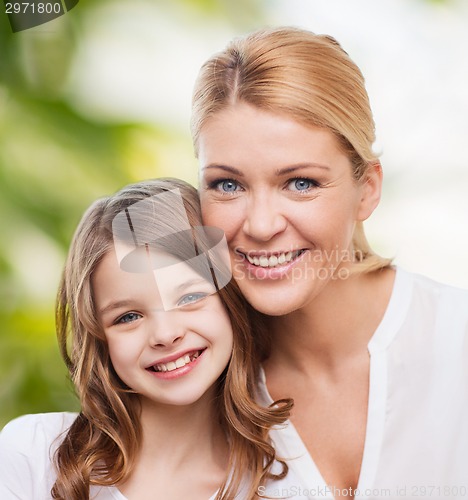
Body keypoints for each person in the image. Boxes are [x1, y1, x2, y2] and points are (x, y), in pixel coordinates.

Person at [191, 27, 468, 499]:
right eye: (228, 185)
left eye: (300, 183)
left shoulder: (455, 339)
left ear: (368, 189)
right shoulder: (189, 380)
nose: (259, 225)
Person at [0, 178, 295, 500]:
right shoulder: (35, 455)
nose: (166, 335)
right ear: (99, 338)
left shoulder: (281, 482)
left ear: (232, 301)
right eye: (128, 317)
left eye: (190, 297)